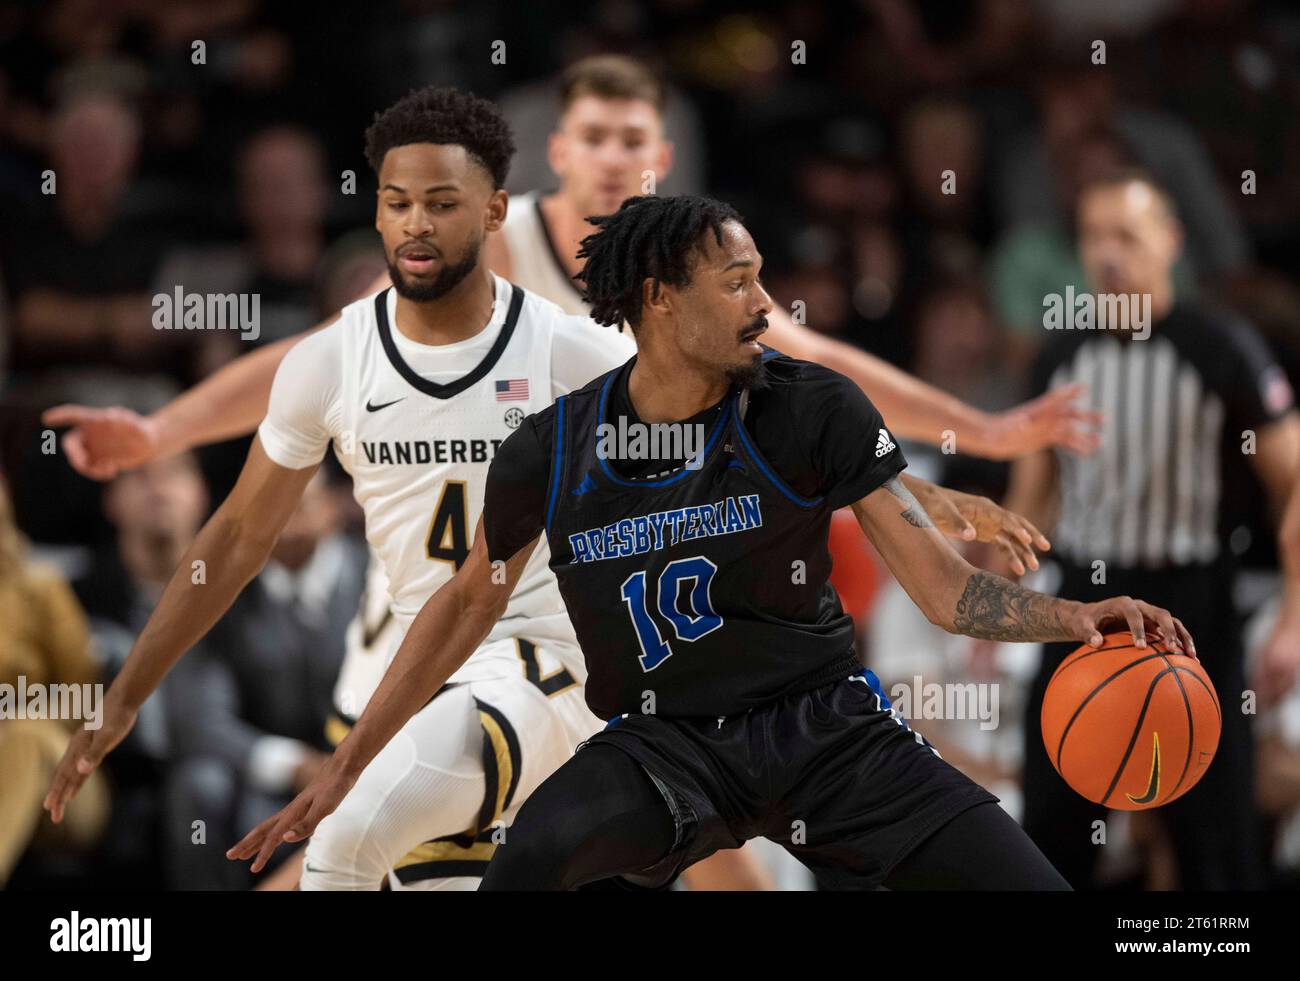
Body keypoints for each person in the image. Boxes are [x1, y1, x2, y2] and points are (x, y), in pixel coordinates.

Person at [39, 66, 1078, 889]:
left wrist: (933, 469)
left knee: (348, 847)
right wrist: (159, 434)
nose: (412, 223)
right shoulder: (350, 354)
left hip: (556, 663)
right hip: (423, 650)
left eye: (437, 203)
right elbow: (248, 499)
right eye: (395, 203)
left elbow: (800, 385)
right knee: (407, 859)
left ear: (494, 207)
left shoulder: (586, 349)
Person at [230, 194, 1195, 891]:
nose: (763, 304)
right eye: (737, 282)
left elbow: (945, 591)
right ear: (659, 298)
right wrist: (345, 769)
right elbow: (463, 605)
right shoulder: (552, 449)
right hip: (667, 745)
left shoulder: (808, 406)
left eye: (761, 279)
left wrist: (1075, 618)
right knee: (520, 871)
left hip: (826, 729)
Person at [1003, 169, 1300, 889]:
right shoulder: (1062, 353)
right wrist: (994, 598)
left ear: (1170, 242)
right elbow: (1028, 502)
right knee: (1050, 822)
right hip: (1080, 606)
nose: (1107, 255)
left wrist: (1294, 617)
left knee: (1212, 833)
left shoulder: (1220, 348)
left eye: (1126, 236)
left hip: (1190, 605)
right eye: (1092, 237)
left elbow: (1294, 482)